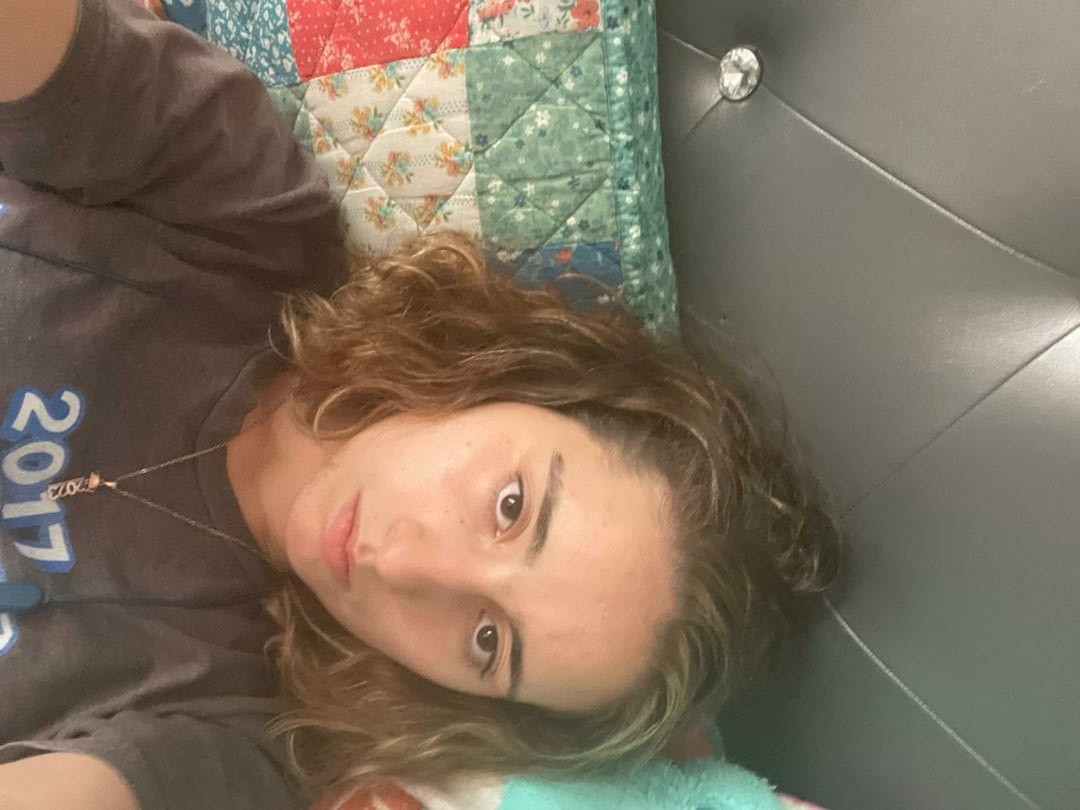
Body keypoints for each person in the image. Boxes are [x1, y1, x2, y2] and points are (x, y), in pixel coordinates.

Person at [0, 0, 840, 808]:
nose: (405, 567)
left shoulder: (226, 735)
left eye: (487, 640)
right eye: (510, 507)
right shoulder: (233, 212)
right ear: (513, 380)